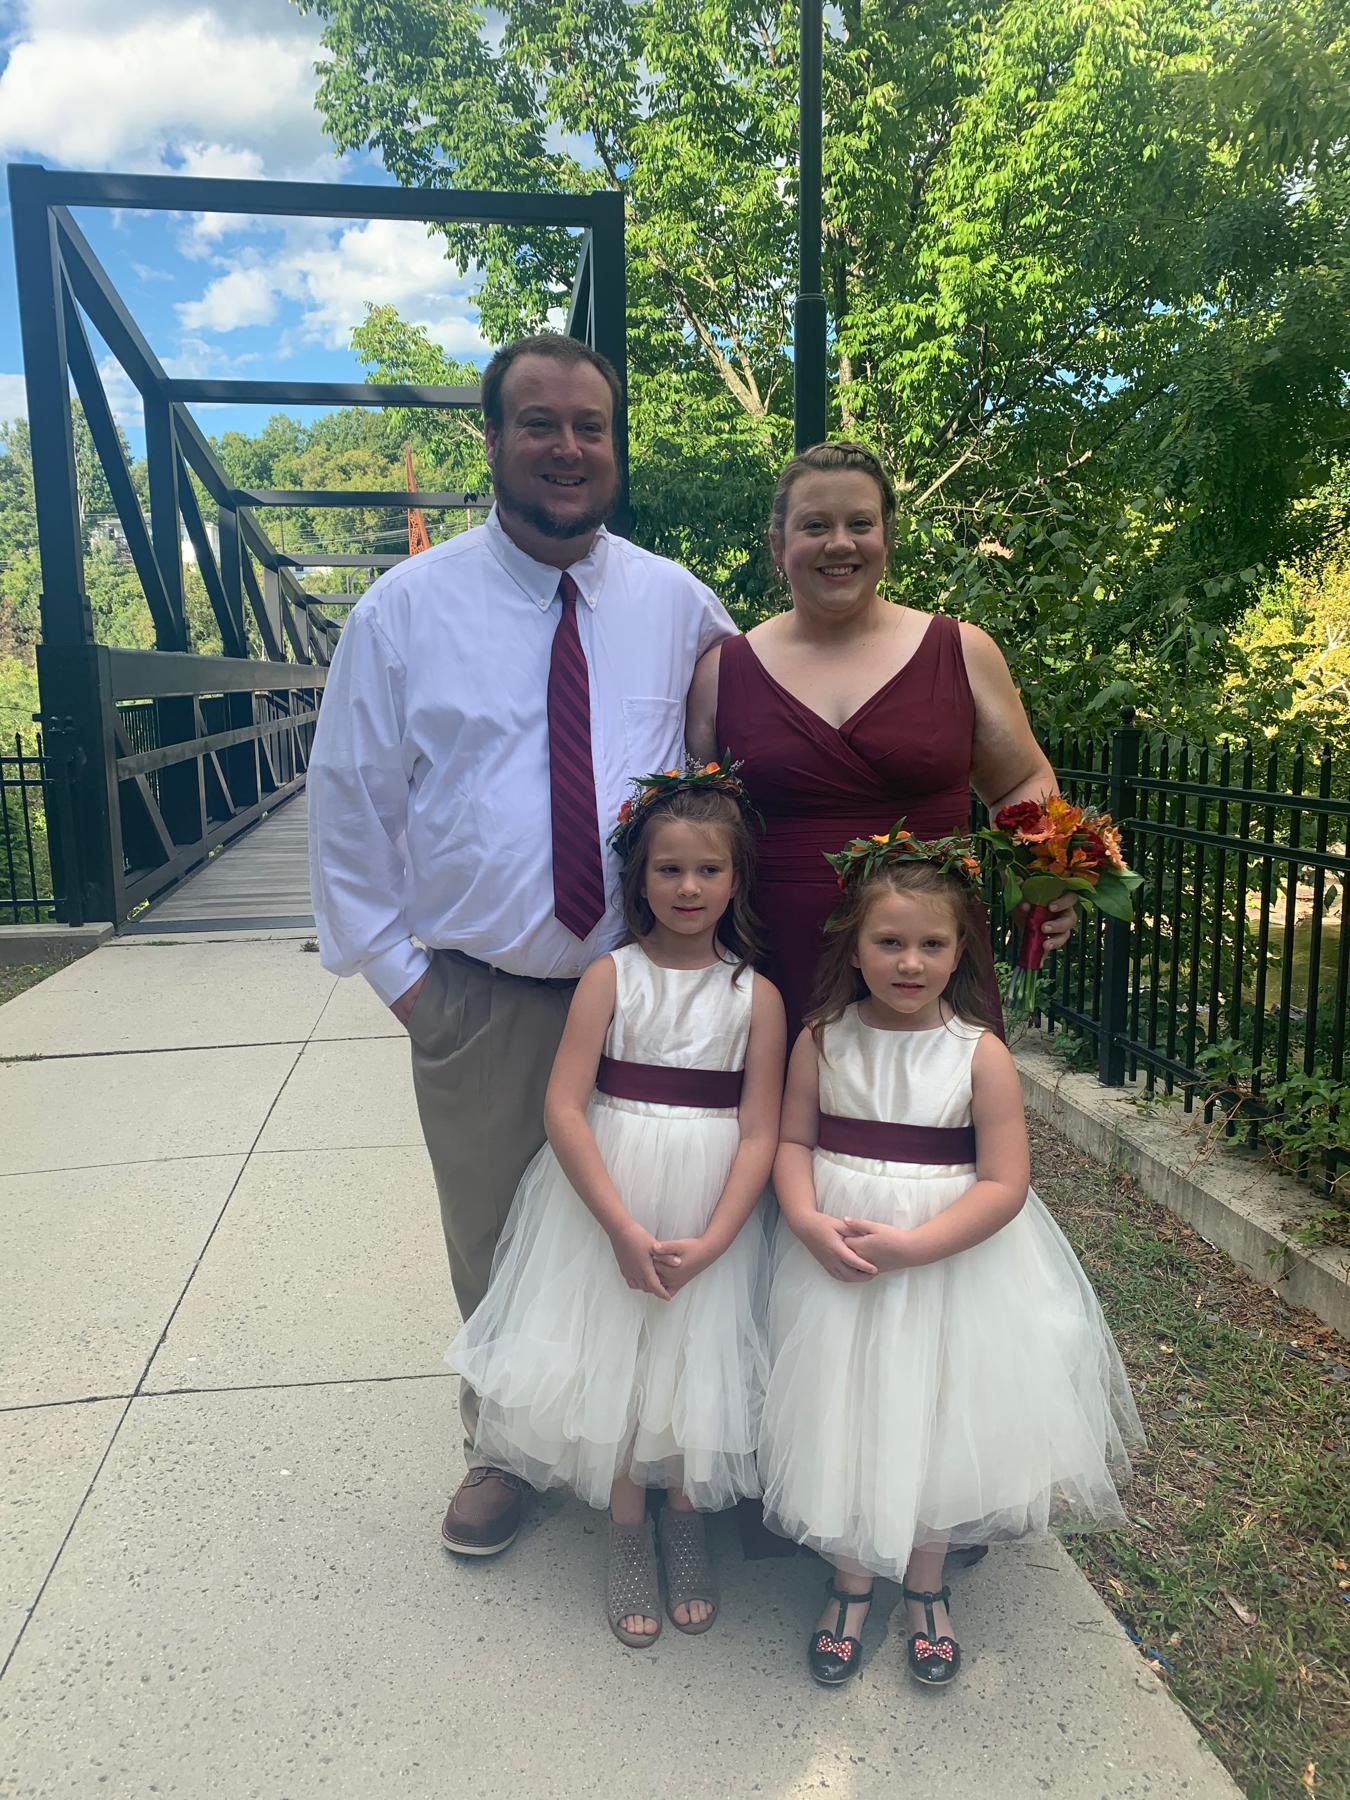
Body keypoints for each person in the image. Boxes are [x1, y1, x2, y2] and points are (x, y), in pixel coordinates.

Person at [307, 335, 736, 1560]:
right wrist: (411, 987)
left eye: (590, 425)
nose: (568, 447)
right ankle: (503, 1445)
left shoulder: (678, 604)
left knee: (658, 1220)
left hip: (651, 994)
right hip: (485, 996)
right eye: (539, 423)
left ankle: (656, 1446)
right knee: (495, 1237)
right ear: (491, 441)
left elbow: (747, 764)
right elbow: (348, 805)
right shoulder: (404, 613)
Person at [758, 827, 1142, 1688]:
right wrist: (806, 1219)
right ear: (854, 946)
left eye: (932, 944)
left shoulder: (979, 1052)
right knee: (846, 1406)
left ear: (960, 949)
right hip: (839, 1261)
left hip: (946, 1266)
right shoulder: (822, 1039)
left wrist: (915, 1247)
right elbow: (791, 1141)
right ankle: (853, 1578)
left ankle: (926, 1583)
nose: (910, 962)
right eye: (889, 942)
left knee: (934, 1412)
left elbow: (1005, 1183)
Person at [447, 763, 785, 1644]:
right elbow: (564, 1107)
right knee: (622, 1357)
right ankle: (628, 1527)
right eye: (669, 868)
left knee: (694, 1356)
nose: (688, 887)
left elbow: (761, 1130)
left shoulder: (756, 996)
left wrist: (717, 1238)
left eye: (709, 869)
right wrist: (620, 1226)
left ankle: (685, 1517)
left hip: (709, 1207)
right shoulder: (611, 977)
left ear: (737, 879)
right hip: (613, 1199)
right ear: (639, 877)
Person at [686, 439, 1077, 1042]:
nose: (839, 543)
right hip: (775, 961)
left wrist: (1041, 878)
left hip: (928, 960)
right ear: (777, 545)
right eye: (815, 525)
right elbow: (696, 823)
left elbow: (1021, 782)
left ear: (887, 540)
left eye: (860, 524)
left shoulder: (963, 651)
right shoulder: (721, 673)